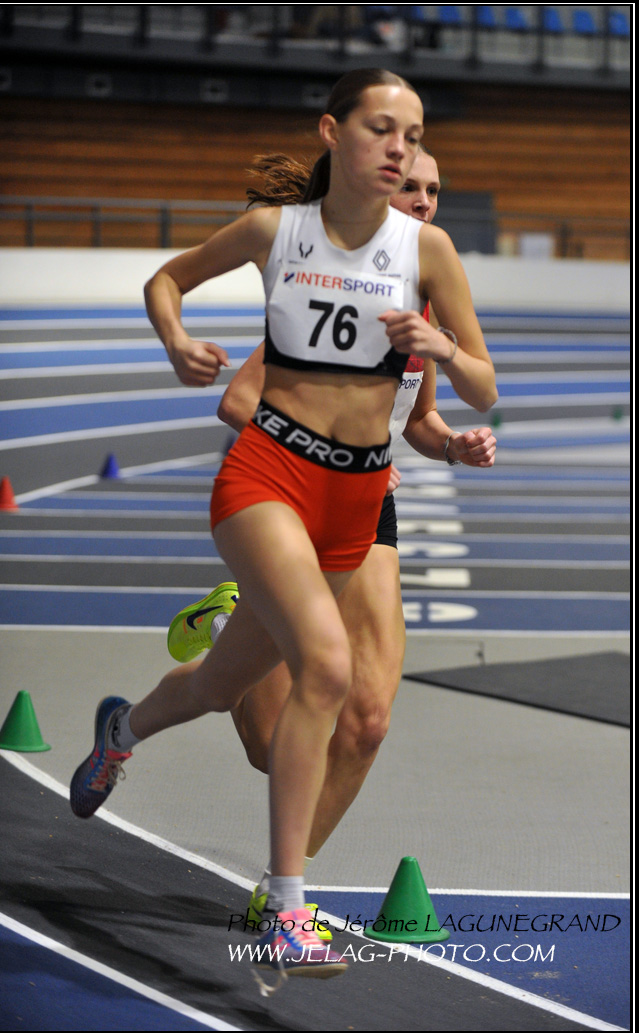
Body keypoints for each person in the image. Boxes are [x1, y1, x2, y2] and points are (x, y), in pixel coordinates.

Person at [69, 68, 497, 991]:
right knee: (328, 669)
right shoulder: (278, 231)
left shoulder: (429, 255)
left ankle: (123, 730)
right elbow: (166, 280)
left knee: (223, 688)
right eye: (381, 129)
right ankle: (286, 911)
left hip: (358, 498)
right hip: (269, 475)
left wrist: (443, 356)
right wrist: (176, 342)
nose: (401, 151)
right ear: (332, 132)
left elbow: (482, 385)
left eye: (414, 135)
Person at [165, 147, 497, 941]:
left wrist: (450, 446)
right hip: (291, 493)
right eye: (408, 186)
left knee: (367, 720)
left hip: (368, 506)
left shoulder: (428, 299)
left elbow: (418, 418)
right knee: (271, 745)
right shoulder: (333, 285)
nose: (423, 201)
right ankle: (232, 631)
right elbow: (238, 402)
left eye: (433, 190)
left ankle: (277, 891)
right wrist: (325, 448)